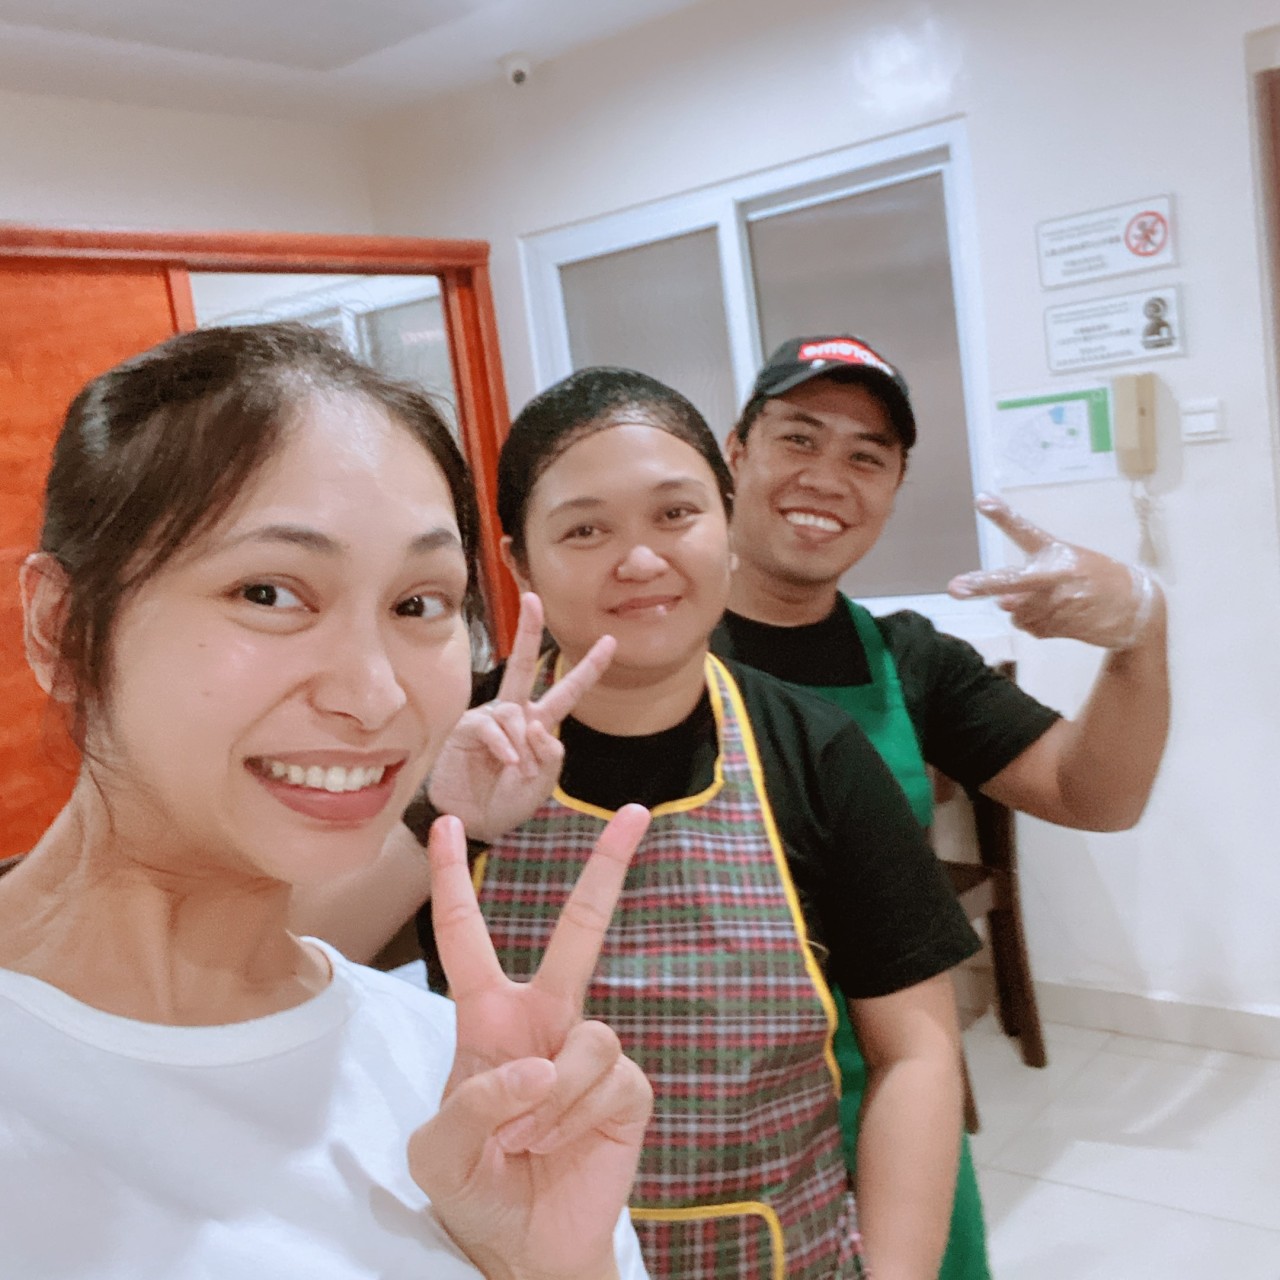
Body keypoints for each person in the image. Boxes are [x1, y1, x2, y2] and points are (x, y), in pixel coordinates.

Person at [0, 322, 654, 1280]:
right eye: (270, 593)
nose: (375, 695)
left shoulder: (462, 1076)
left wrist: (546, 1266)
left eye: (419, 604)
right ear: (63, 628)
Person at [398, 366, 983, 1280]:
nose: (640, 561)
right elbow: (288, 954)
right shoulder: (452, 742)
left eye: (675, 514)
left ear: (727, 522)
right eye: (586, 529)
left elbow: (915, 1050)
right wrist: (443, 814)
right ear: (518, 563)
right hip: (503, 1254)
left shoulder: (818, 753)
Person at [714, 333, 1172, 1280]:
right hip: (705, 1105)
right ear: (736, 451)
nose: (827, 477)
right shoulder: (650, 651)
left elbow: (1097, 794)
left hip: (895, 1090)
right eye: (799, 438)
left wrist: (1140, 632)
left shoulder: (911, 659)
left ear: (893, 488)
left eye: (866, 457)